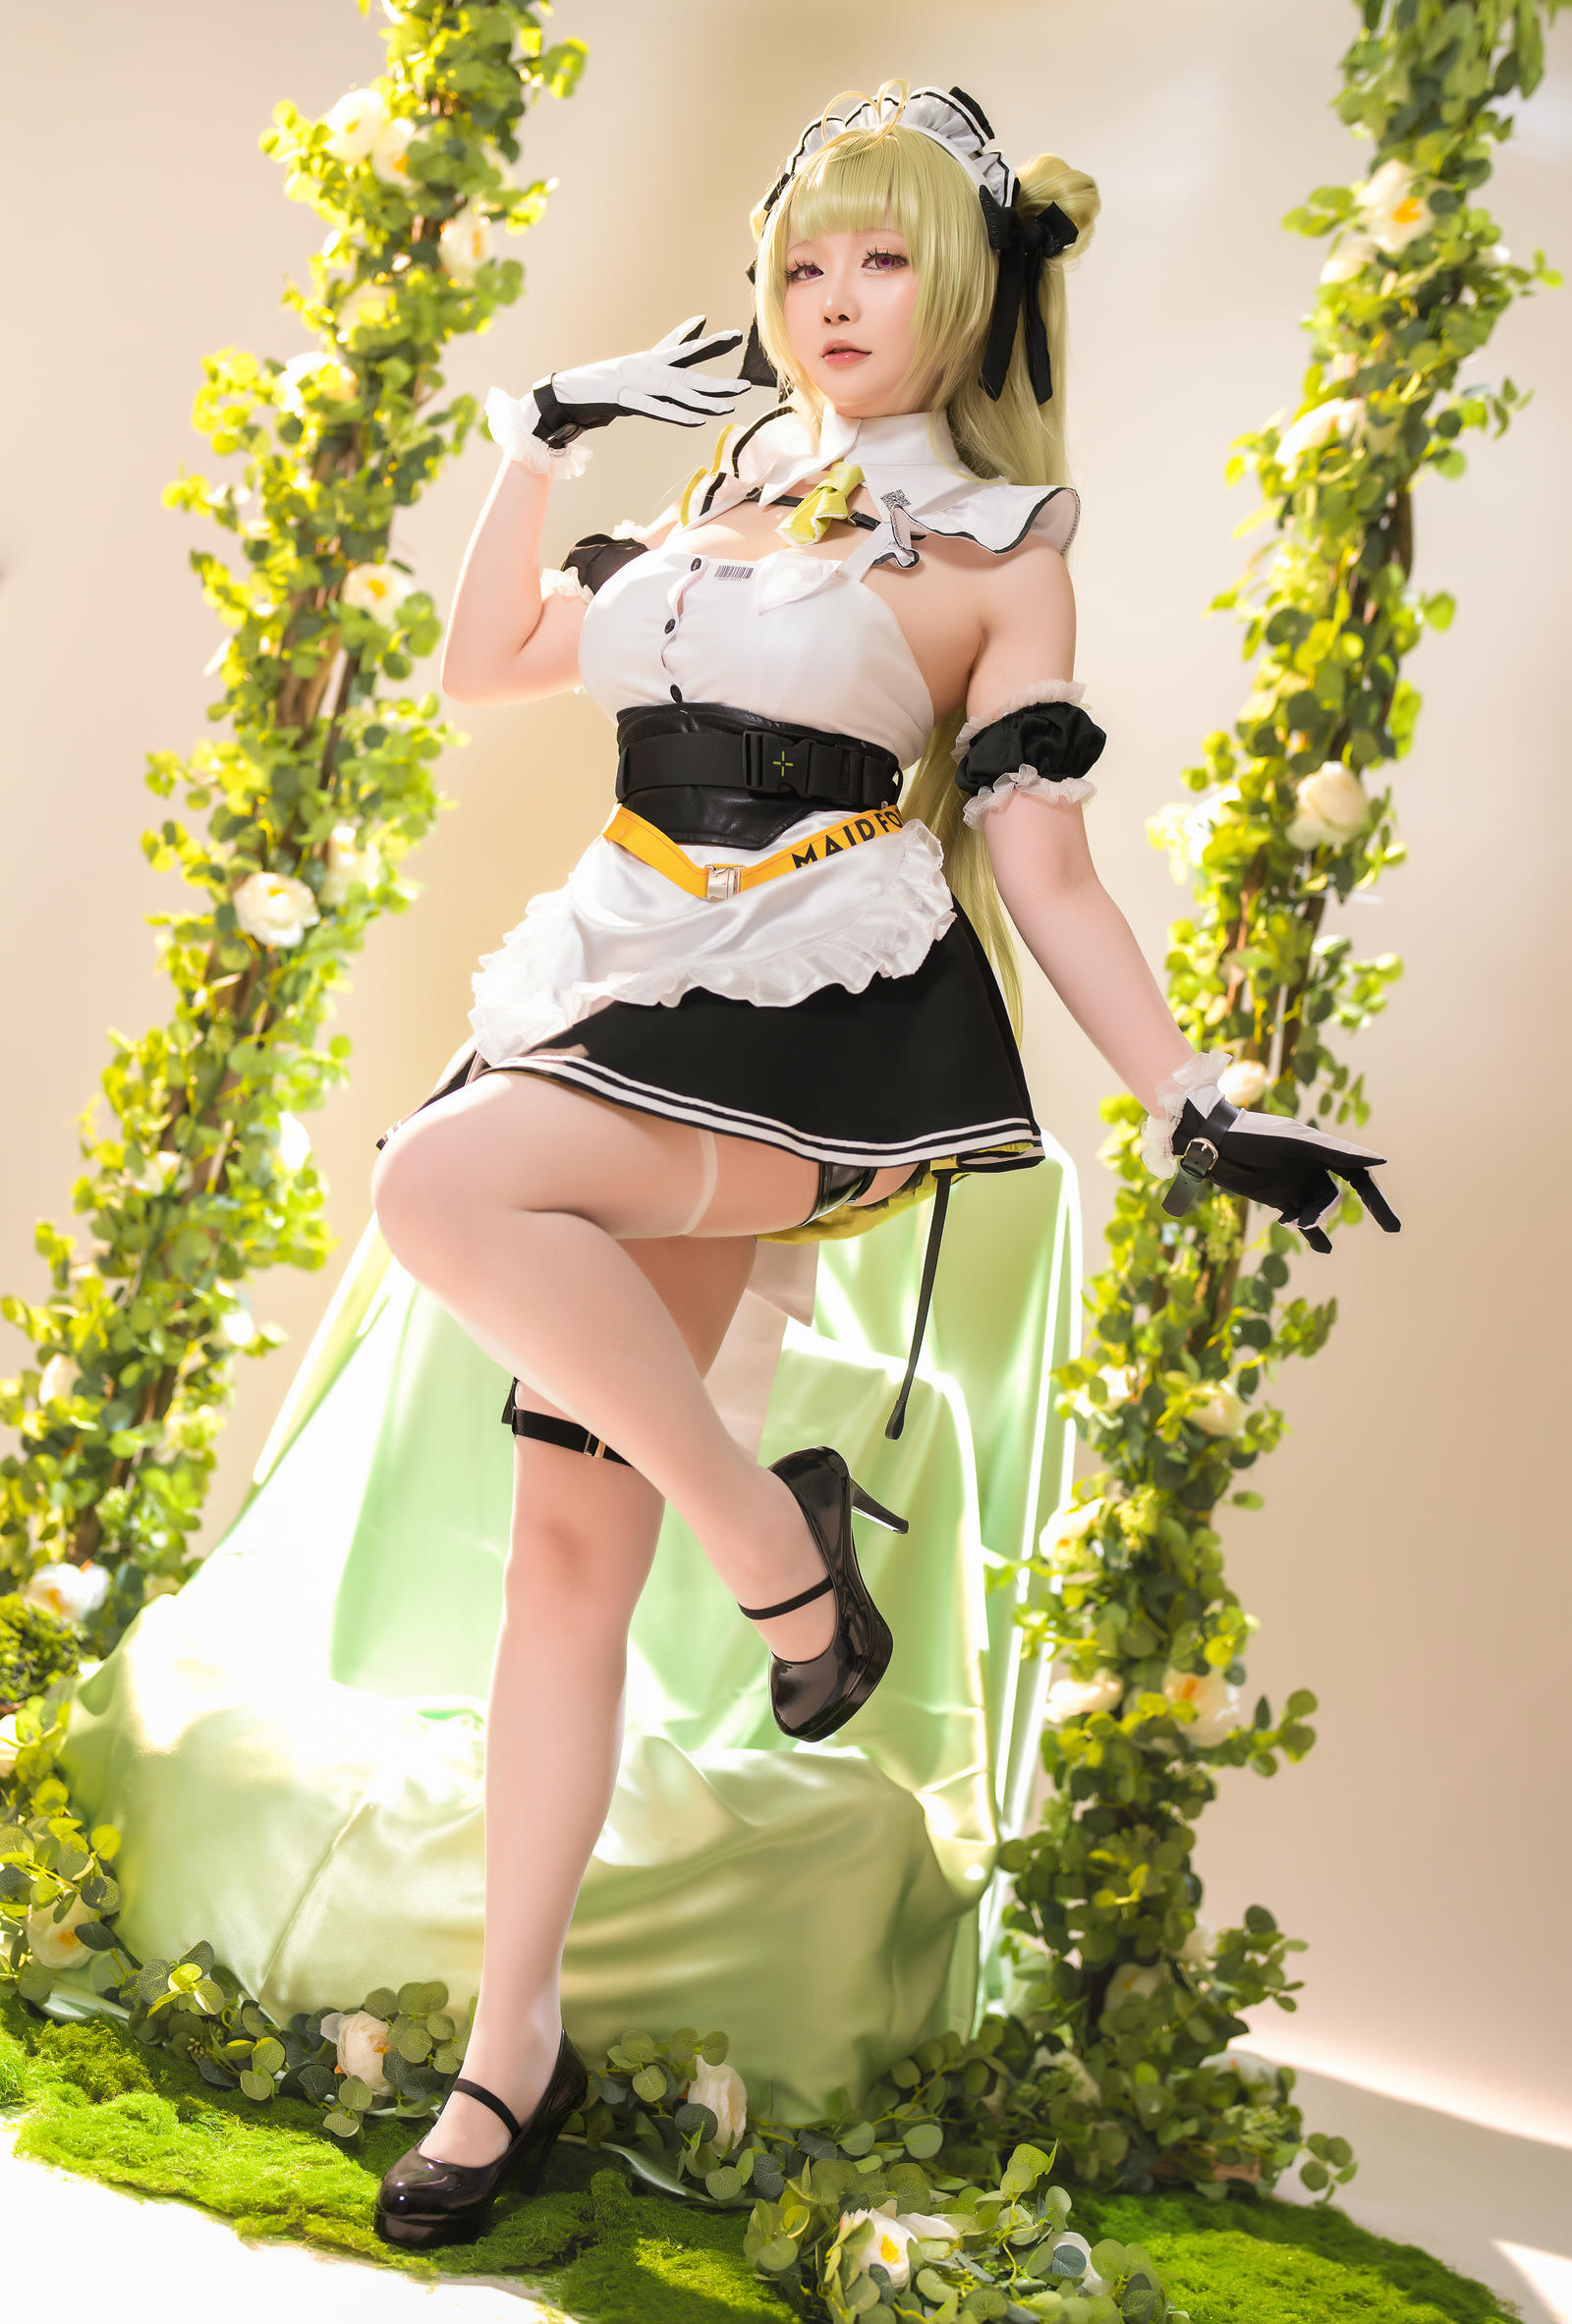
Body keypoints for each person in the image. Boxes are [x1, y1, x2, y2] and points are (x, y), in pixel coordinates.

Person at [365, 81, 1398, 2250]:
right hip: (616, 977)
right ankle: (510, 2046)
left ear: (971, 290)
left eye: (884, 260)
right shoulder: (720, 489)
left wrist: (1191, 1094)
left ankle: (774, 1557)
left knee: (439, 1187)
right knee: (564, 1561)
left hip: (808, 1030)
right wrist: (543, 433)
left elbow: (1047, 866)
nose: (832, 302)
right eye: (803, 264)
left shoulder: (1003, 553)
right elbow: (482, 667)